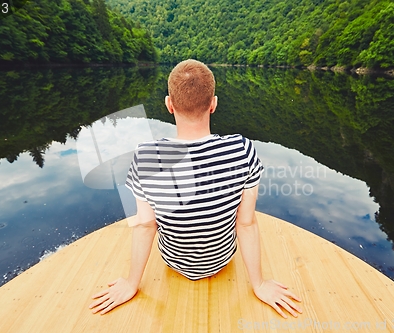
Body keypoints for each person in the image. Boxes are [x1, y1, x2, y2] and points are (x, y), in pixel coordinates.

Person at [89, 59, 302, 318]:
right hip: (223, 261)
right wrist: (258, 284)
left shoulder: (147, 157)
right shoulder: (242, 149)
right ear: (213, 104)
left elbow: (146, 224)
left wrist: (132, 283)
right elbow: (245, 223)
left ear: (169, 104)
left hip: (174, 263)